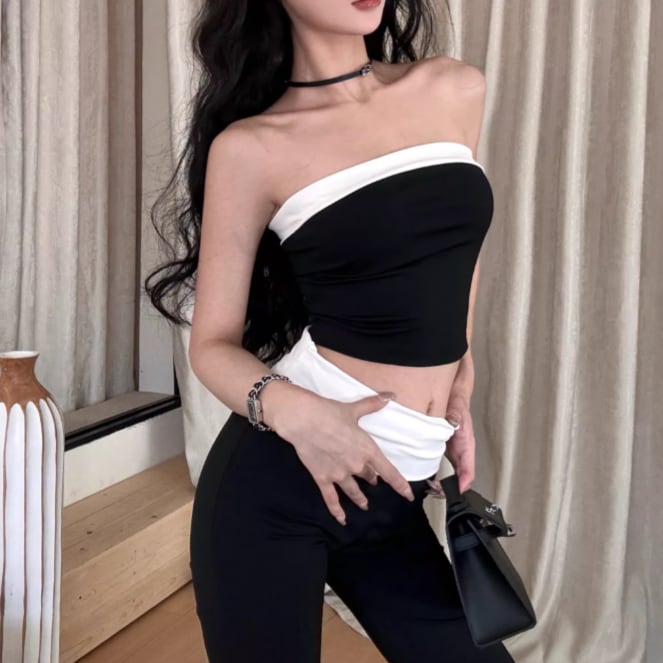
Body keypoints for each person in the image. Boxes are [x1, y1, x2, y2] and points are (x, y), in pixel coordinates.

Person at [145, 1, 515, 661]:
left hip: (394, 488)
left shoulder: (453, 88)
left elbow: (454, 252)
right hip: (279, 487)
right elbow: (211, 346)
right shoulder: (252, 148)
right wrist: (305, 418)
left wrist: (460, 380)